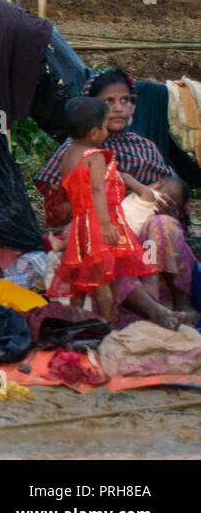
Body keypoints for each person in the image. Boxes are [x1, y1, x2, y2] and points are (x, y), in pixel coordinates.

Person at [36, 69, 197, 327]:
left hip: (143, 236)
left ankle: (181, 301)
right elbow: (56, 212)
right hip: (99, 226)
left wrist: (165, 205)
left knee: (163, 226)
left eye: (125, 100)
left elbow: (175, 193)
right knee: (106, 244)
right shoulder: (75, 151)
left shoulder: (144, 147)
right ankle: (149, 310)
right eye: (108, 102)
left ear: (134, 104)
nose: (119, 108)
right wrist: (114, 202)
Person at [45, 97, 156, 324]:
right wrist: (106, 226)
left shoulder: (67, 155)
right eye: (105, 126)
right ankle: (108, 323)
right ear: (95, 132)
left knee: (79, 277)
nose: (107, 131)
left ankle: (75, 319)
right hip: (97, 224)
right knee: (101, 280)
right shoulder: (94, 157)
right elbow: (97, 191)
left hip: (80, 223)